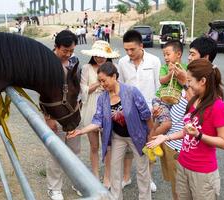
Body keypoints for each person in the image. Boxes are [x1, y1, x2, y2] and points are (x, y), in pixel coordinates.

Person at [68, 62, 154, 200]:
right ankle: (115, 197)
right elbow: (98, 120)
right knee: (114, 169)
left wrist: (151, 136)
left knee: (142, 170)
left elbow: (146, 115)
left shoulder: (131, 92)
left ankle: (145, 197)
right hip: (118, 137)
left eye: (104, 80)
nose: (102, 84)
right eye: (100, 81)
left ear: (114, 76)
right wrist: (81, 131)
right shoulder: (103, 98)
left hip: (137, 136)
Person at [148, 58, 224, 200]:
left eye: (190, 80)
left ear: (202, 81)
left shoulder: (218, 107)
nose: (188, 84)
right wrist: (166, 137)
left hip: (203, 173)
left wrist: (199, 135)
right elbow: (187, 130)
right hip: (183, 164)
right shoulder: (194, 100)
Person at [154, 36, 218, 200]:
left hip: (184, 147)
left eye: (192, 54)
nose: (188, 57)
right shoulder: (189, 72)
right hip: (172, 141)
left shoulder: (210, 81)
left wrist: (184, 82)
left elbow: (198, 107)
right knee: (178, 191)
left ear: (205, 58)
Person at [117, 29, 161, 192]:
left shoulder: (154, 61)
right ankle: (126, 177)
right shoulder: (122, 62)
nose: (129, 53)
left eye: (132, 49)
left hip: (150, 112)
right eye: (126, 49)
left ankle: (148, 178)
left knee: (149, 145)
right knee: (128, 147)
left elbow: (158, 86)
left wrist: (157, 105)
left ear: (141, 46)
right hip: (128, 113)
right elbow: (120, 86)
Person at [45, 30, 81, 200]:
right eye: (65, 50)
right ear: (56, 46)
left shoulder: (73, 61)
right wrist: (48, 118)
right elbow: (42, 93)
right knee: (56, 152)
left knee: (74, 150)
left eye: (71, 51)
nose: (68, 54)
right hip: (55, 115)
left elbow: (77, 86)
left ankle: (77, 181)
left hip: (72, 113)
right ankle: (54, 188)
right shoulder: (46, 62)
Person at [80, 40, 120, 189]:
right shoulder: (86, 68)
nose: (99, 58)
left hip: (107, 105)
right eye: (96, 55)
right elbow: (83, 90)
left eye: (102, 55)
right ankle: (95, 174)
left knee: (108, 145)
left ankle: (107, 176)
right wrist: (99, 82)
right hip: (91, 105)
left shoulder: (113, 68)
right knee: (94, 146)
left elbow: (116, 89)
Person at [152, 40, 187, 137]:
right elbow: (162, 80)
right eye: (164, 55)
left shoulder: (185, 68)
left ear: (178, 54)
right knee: (167, 124)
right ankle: (151, 140)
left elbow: (186, 82)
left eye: (168, 54)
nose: (165, 57)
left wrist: (179, 75)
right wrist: (170, 74)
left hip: (174, 99)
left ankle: (156, 140)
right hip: (161, 99)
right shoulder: (164, 67)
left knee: (162, 122)